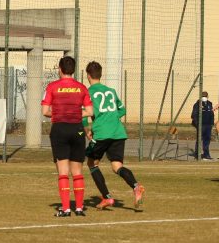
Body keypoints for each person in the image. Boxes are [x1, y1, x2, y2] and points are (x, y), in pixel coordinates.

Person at [82, 61, 145, 210]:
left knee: (92, 163)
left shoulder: (87, 92)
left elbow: (84, 116)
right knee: (117, 166)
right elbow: (122, 110)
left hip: (102, 133)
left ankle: (107, 197)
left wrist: (87, 131)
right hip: (118, 132)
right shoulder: (111, 91)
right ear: (100, 75)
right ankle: (136, 186)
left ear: (88, 75)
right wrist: (110, 118)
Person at [41, 56, 93, 217]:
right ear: (74, 70)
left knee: (63, 171)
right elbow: (90, 112)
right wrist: (77, 113)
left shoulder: (52, 87)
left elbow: (45, 111)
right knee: (77, 171)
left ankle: (65, 208)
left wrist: (57, 113)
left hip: (59, 129)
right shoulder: (82, 87)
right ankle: (79, 208)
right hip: (77, 129)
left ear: (60, 69)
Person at [191, 91, 214, 160]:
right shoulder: (197, 104)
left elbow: (211, 114)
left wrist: (211, 123)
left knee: (207, 140)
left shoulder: (209, 103)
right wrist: (198, 124)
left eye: (205, 96)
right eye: (203, 96)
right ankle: (197, 154)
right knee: (199, 139)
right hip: (201, 125)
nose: (204, 97)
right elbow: (194, 115)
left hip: (208, 125)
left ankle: (206, 154)